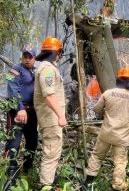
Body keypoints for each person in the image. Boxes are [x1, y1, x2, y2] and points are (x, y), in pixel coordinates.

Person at [83, 66, 129, 191]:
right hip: (121, 138)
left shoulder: (108, 93)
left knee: (96, 156)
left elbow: (96, 109)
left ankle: (88, 184)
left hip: (105, 133)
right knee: (120, 163)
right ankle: (117, 186)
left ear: (118, 79)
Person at [34, 37, 67, 187]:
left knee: (52, 151)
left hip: (50, 118)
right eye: (59, 52)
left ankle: (47, 182)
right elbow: (49, 95)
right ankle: (46, 185)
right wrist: (61, 116)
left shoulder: (46, 67)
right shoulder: (47, 68)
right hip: (51, 118)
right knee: (51, 152)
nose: (59, 56)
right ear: (54, 52)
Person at [5, 46, 38, 180]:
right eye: (25, 56)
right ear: (22, 57)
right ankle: (10, 171)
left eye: (30, 57)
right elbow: (12, 90)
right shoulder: (14, 70)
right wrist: (20, 108)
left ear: (34, 59)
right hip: (17, 112)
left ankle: (27, 168)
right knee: (14, 142)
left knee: (32, 141)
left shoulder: (36, 71)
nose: (28, 60)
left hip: (32, 112)